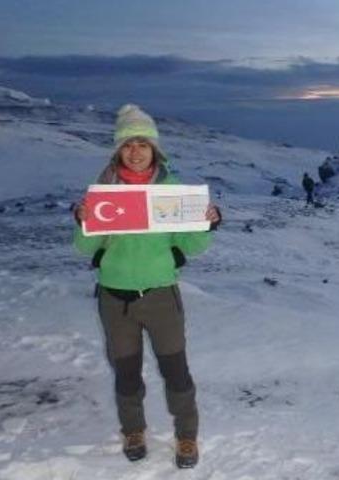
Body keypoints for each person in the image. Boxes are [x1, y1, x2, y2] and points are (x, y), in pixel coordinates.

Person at [72, 104, 221, 469]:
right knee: (125, 372)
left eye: (142, 144)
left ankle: (186, 435)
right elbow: (85, 248)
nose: (135, 152)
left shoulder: (171, 191)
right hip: (114, 296)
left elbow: (192, 248)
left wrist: (205, 224)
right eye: (127, 145)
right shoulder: (104, 191)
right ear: (118, 151)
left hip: (160, 297)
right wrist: (83, 220)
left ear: (155, 149)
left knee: (175, 370)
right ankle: (133, 430)